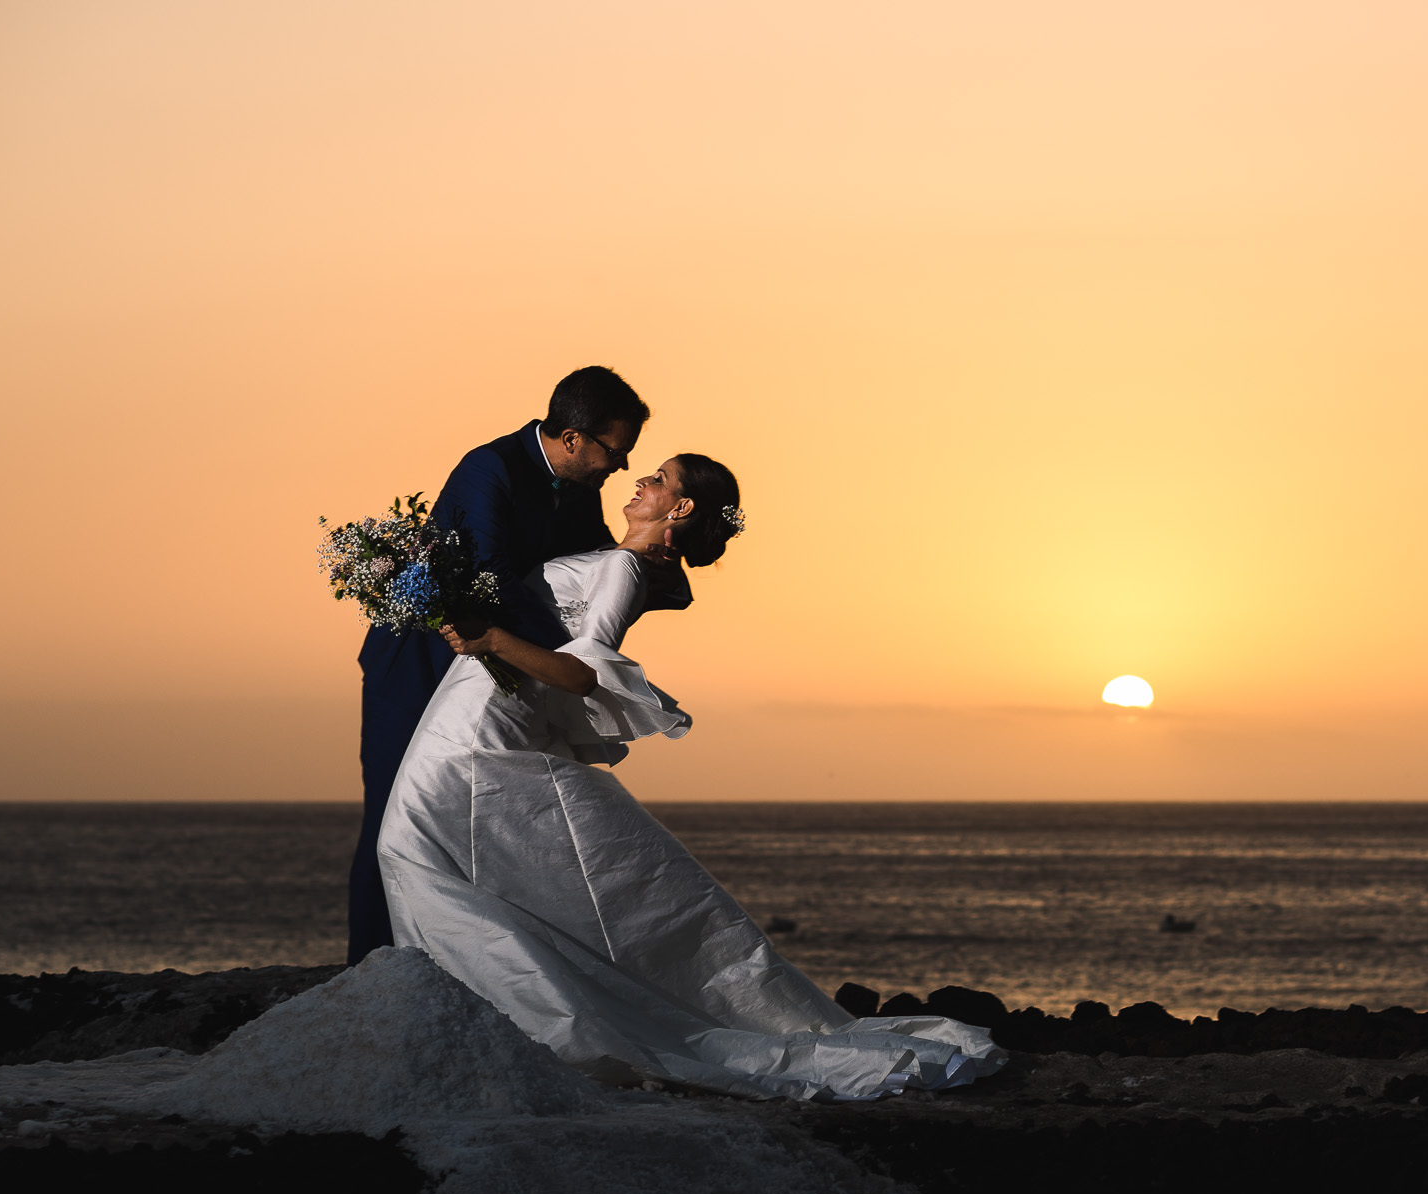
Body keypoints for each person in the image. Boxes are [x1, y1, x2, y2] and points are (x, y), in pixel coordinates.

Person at [375, 455, 1005, 1101]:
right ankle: (491, 1009)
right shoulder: (613, 557)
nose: (641, 481)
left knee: (408, 848)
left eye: (659, 479)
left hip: (482, 720)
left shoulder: (623, 568)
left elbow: (581, 674)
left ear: (678, 509)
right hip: (477, 705)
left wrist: (490, 639)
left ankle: (503, 1018)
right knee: (433, 857)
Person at [347, 366, 654, 965]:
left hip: (493, 668)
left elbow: (590, 570)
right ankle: (371, 965)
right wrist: (564, 660)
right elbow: (494, 578)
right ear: (573, 439)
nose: (619, 469)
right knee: (394, 815)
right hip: (418, 661)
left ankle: (457, 957)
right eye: (616, 453)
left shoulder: (580, 484)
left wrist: (657, 554)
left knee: (477, 819)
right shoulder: (488, 470)